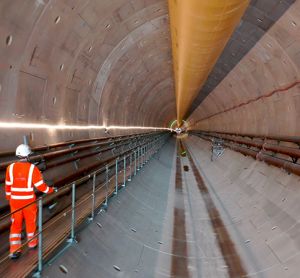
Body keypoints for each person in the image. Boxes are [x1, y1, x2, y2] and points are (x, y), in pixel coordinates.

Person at [5, 144, 54, 259]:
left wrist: (10, 198)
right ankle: (32, 243)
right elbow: (40, 186)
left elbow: (8, 186)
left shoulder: (10, 168)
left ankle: (14, 250)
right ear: (27, 156)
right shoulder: (33, 168)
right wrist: (50, 190)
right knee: (30, 222)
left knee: (15, 224)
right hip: (28, 202)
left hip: (15, 202)